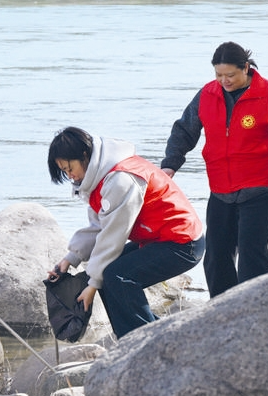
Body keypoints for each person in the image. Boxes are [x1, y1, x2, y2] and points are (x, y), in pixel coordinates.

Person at [161, 41, 268, 298]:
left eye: (230, 75)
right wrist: (170, 164)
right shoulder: (207, 95)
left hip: (260, 188)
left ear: (245, 68)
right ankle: (222, 308)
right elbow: (184, 131)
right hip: (220, 188)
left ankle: (257, 307)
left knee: (251, 255)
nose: (224, 81)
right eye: (218, 75)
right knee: (216, 256)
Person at [46, 126, 205, 339]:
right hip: (158, 239)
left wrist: (93, 284)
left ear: (84, 155)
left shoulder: (120, 179)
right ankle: (140, 339)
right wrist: (70, 259)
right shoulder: (98, 177)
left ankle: (143, 344)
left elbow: (112, 236)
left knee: (116, 276)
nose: (70, 175)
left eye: (69, 168)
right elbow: (98, 226)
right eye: (65, 172)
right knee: (107, 273)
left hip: (182, 242)